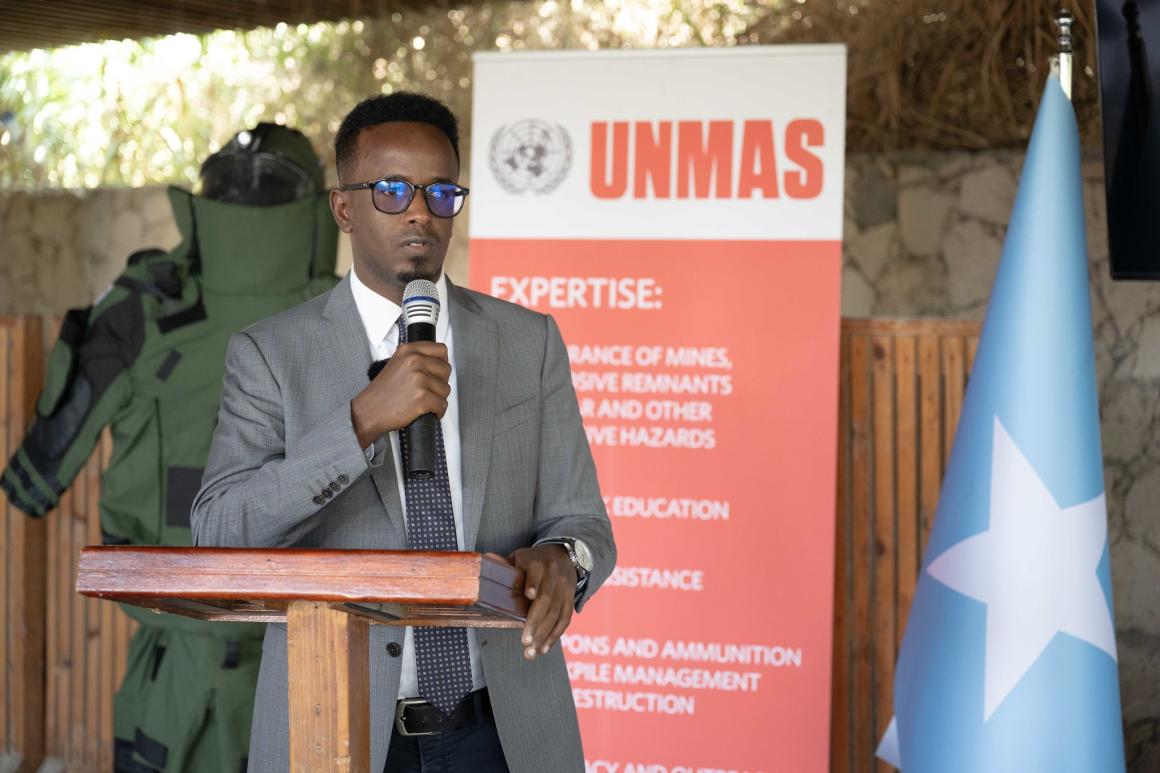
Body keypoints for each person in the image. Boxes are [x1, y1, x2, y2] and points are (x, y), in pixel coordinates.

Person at [189, 91, 616, 773]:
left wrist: (564, 559)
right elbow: (218, 532)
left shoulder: (527, 342)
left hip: (502, 730)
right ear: (343, 208)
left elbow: (584, 522)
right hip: (335, 721)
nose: (420, 211)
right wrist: (360, 422)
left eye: (441, 191)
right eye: (392, 189)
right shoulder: (270, 354)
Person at [1, 122, 339, 772]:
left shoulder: (143, 307)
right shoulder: (354, 316)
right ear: (320, 210)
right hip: (316, 673)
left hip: (175, 673)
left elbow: (37, 475)